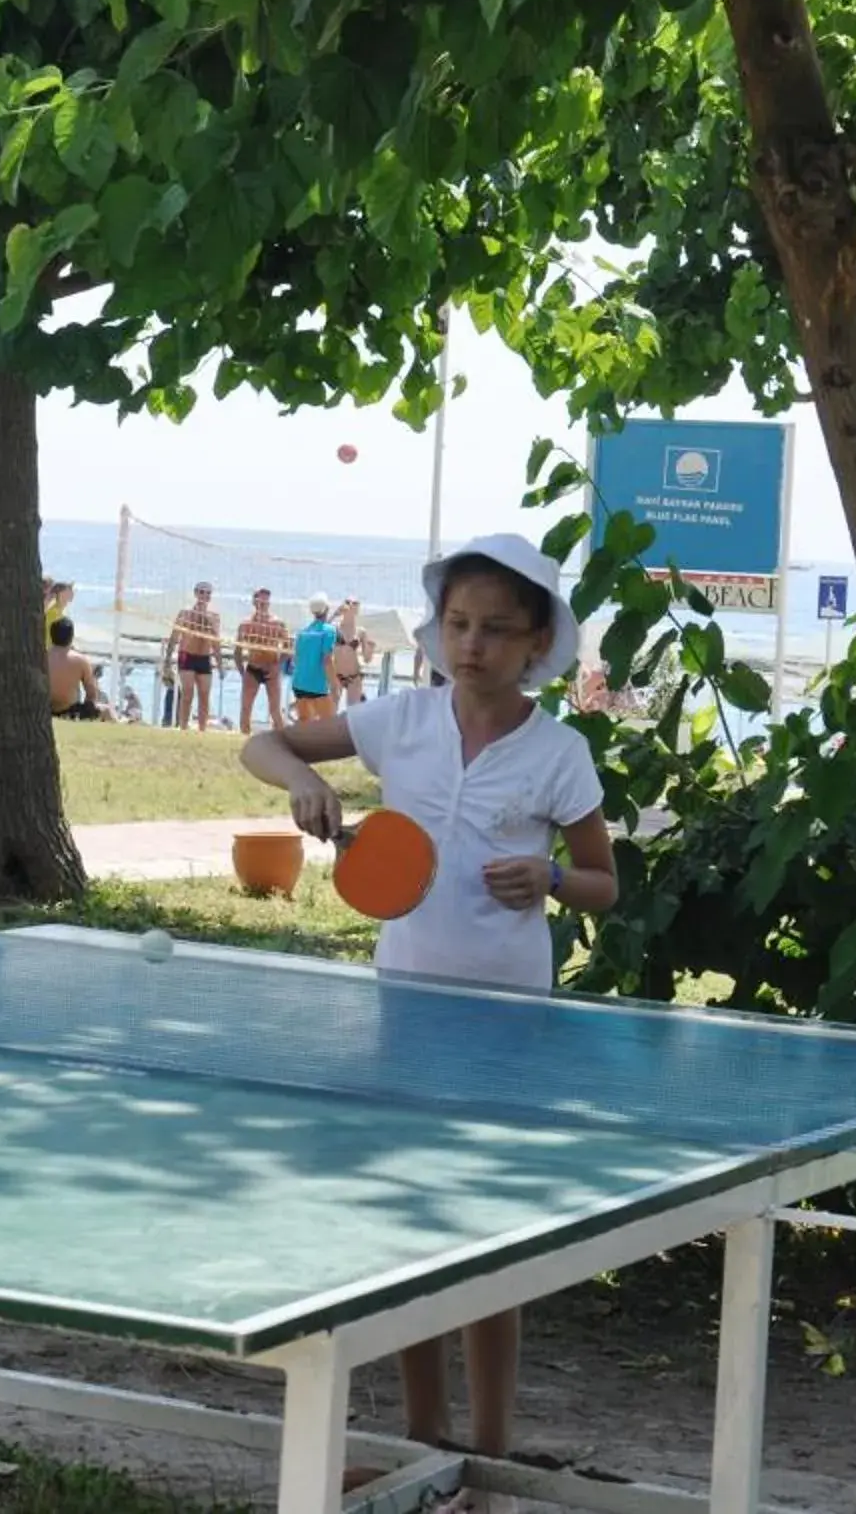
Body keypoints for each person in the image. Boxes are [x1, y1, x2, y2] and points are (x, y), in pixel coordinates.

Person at [239, 535, 616, 1505]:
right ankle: (421, 1444)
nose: (472, 644)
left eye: (496, 629)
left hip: (507, 1022)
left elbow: (605, 885)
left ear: (537, 642)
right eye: (457, 625)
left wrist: (553, 878)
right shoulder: (399, 722)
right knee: (410, 1231)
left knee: (489, 1236)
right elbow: (262, 741)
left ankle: (486, 1461)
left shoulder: (559, 752)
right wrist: (305, 782)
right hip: (405, 1010)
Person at [165, 581, 223, 732]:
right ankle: (183, 727)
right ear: (196, 594)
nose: (205, 596)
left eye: (208, 593)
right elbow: (174, 636)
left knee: (204, 695)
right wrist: (167, 660)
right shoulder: (185, 613)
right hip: (187, 656)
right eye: (202, 592)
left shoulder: (214, 617)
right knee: (188, 692)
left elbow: (216, 641)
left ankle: (202, 729)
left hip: (204, 658)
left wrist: (220, 663)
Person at [233, 586, 290, 734]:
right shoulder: (246, 624)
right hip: (253, 668)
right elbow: (237, 651)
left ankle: (282, 741)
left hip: (272, 669)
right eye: (260, 601)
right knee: (246, 707)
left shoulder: (277, 623)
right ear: (254, 602)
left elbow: (288, 648)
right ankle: (244, 738)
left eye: (266, 601)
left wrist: (278, 666)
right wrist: (241, 672)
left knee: (275, 710)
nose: (263, 604)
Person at [290, 595, 340, 724]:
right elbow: (327, 660)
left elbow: (296, 659)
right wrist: (335, 685)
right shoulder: (330, 631)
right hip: (317, 685)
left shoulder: (302, 633)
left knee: (304, 722)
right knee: (328, 724)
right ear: (327, 609)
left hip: (299, 683)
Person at [46, 616, 107, 720]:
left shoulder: (41, 657)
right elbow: (92, 694)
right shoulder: (80, 660)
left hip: (44, 710)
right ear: (71, 636)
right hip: (70, 711)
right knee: (107, 710)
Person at [329, 595, 373, 711]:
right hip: (337, 675)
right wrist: (335, 614)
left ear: (357, 609)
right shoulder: (334, 628)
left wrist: (370, 649)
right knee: (330, 712)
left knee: (352, 712)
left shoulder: (360, 632)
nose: (350, 605)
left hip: (354, 677)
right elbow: (320, 631)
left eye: (354, 603)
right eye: (347, 602)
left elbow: (367, 659)